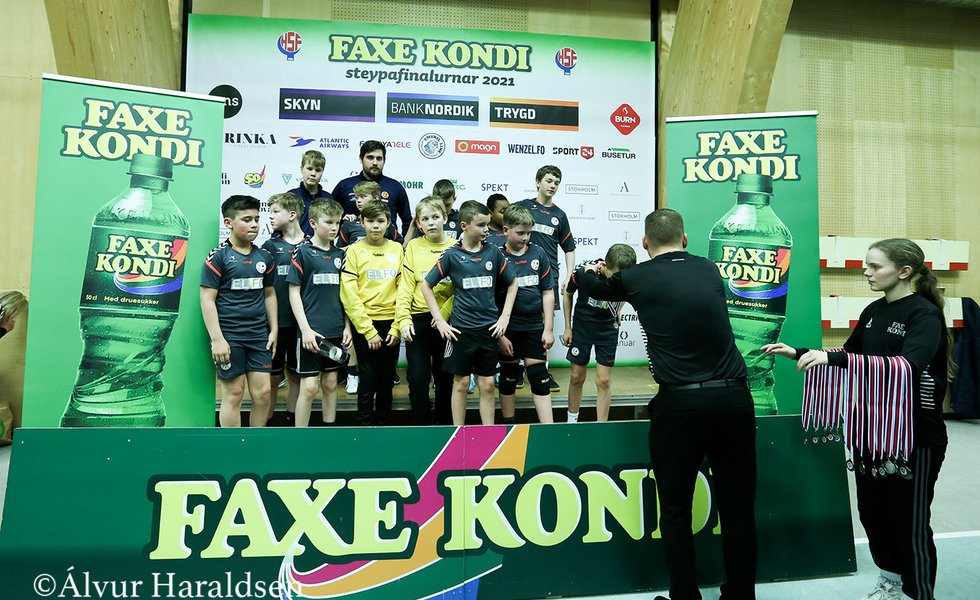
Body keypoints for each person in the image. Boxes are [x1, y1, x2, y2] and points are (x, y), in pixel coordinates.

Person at [576, 208, 756, 600]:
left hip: (681, 405)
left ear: (645, 243)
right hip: (733, 399)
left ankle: (684, 596)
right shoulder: (709, 269)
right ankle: (741, 595)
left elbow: (591, 286)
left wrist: (588, 271)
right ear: (685, 239)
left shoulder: (636, 277)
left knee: (675, 510)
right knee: (739, 507)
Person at [763, 238, 950, 600]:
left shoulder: (924, 315)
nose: (866, 272)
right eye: (866, 264)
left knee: (909, 522)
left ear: (904, 271)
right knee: (874, 515)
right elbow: (849, 355)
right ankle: (891, 584)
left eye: (875, 266)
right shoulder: (873, 311)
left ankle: (918, 593)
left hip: (915, 436)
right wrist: (799, 352)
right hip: (872, 433)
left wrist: (835, 359)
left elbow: (907, 366)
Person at [422, 200, 517, 425]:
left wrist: (504, 318)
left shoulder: (493, 252)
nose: (486, 229)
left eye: (487, 225)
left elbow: (513, 283)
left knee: (487, 384)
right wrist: (440, 320)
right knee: (461, 384)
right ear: (464, 225)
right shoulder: (451, 255)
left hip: (489, 330)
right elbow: (426, 285)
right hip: (461, 332)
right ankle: (458, 433)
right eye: (481, 225)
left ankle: (489, 435)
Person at [200, 195, 277, 428]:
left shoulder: (264, 257)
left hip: (259, 336)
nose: (254, 224)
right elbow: (207, 299)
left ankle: (255, 444)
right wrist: (217, 339)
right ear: (228, 223)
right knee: (234, 393)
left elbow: (269, 294)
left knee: (263, 394)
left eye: (256, 219)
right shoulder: (218, 256)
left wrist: (273, 330)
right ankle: (231, 446)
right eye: (246, 219)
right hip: (229, 336)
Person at [287, 198, 350, 427]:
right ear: (313, 223)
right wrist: (305, 330)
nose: (334, 228)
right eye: (329, 222)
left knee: (331, 384)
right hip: (310, 333)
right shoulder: (302, 253)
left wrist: (347, 327)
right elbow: (294, 293)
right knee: (309, 387)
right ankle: (300, 437)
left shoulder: (341, 255)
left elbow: (346, 295)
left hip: (335, 330)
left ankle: (329, 433)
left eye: (337, 223)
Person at [340, 199, 403, 426]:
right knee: (367, 379)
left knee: (387, 379)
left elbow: (404, 291)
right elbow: (349, 294)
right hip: (365, 324)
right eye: (370, 221)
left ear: (389, 223)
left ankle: (384, 425)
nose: (375, 226)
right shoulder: (354, 251)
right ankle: (365, 426)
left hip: (392, 324)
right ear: (362, 222)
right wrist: (368, 331)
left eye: (380, 221)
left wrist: (397, 327)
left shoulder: (397, 249)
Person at [395, 197, 457, 425]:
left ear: (445, 218)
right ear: (419, 224)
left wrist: (443, 314)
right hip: (418, 320)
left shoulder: (456, 247)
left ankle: (444, 427)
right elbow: (405, 286)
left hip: (447, 322)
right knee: (417, 378)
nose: (431, 223)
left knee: (445, 379)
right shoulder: (413, 246)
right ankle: (422, 426)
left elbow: (461, 289)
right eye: (425, 219)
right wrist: (403, 319)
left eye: (435, 217)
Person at [514, 166, 574, 393]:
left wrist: (569, 275)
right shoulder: (523, 207)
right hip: (521, 274)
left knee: (543, 322)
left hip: (548, 277)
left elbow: (569, 248)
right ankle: (517, 369)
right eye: (549, 180)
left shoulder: (560, 216)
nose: (553, 185)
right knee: (518, 320)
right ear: (538, 182)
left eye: (556, 182)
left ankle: (542, 371)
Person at [496, 205, 556, 424]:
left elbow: (547, 292)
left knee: (539, 377)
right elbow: (489, 299)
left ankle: (548, 429)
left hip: (533, 327)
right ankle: (509, 427)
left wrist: (548, 329)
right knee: (509, 377)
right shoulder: (497, 255)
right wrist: (500, 336)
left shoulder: (538, 253)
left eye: (529, 233)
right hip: (508, 330)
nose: (525, 238)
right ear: (506, 230)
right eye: (520, 233)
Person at [563, 243, 637, 422]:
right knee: (576, 377)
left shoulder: (626, 279)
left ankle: (601, 425)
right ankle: (571, 422)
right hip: (582, 329)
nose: (618, 281)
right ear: (605, 265)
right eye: (615, 276)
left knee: (603, 380)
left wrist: (617, 310)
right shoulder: (584, 273)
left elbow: (625, 295)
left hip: (607, 332)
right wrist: (567, 327)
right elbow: (567, 294)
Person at [261, 192, 306, 425]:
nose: (270, 216)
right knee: (272, 377)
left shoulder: (311, 245)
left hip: (302, 326)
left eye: (275, 211)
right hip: (275, 324)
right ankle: (267, 422)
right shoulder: (269, 246)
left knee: (296, 376)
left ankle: (292, 420)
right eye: (269, 212)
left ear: (292, 214)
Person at [332, 140, 412, 236]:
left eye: (379, 158)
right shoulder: (344, 185)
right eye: (370, 158)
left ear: (384, 160)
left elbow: (407, 220)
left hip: (387, 243)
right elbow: (328, 217)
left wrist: (405, 243)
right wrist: (342, 221)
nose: (375, 162)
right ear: (361, 159)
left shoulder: (395, 187)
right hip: (352, 243)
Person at [338, 180, 401, 248]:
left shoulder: (385, 223)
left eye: (363, 196)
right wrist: (353, 248)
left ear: (376, 198)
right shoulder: (349, 223)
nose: (358, 200)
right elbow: (339, 250)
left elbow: (401, 246)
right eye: (356, 197)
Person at [286, 150, 332, 237]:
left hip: (321, 245)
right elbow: (281, 225)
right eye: (309, 169)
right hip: (295, 244)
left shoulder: (329, 199)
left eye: (318, 170)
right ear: (301, 169)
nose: (313, 174)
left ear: (323, 172)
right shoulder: (291, 196)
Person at [404, 179, 461, 245]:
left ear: (454, 199)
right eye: (441, 205)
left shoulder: (460, 218)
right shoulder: (426, 219)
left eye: (447, 205)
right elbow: (406, 246)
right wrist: (413, 225)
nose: (444, 209)